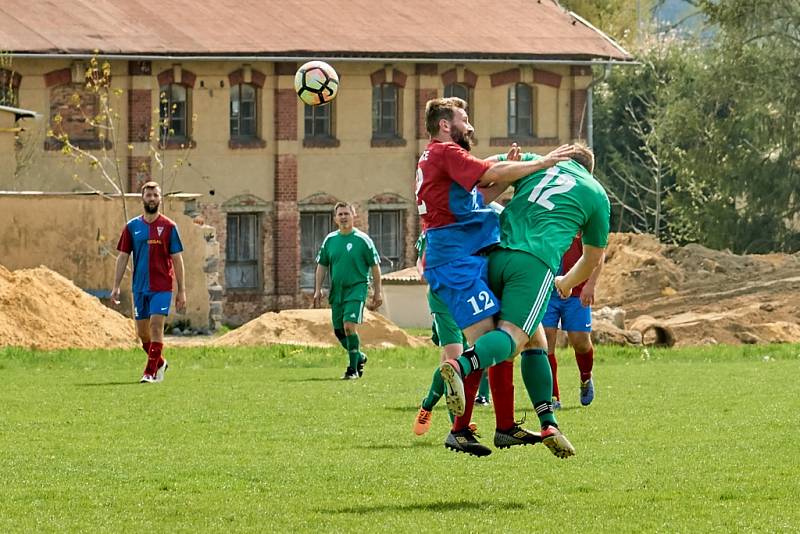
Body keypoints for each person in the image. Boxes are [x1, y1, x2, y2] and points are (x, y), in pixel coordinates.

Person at [415, 97, 575, 456]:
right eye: (464, 119)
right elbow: (489, 174)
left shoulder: (438, 159)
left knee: (514, 340)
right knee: (493, 344)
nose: (469, 126)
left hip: (467, 259)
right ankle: (464, 427)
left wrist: (510, 171)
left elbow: (479, 195)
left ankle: (503, 427)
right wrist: (541, 164)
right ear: (445, 124)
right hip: (456, 262)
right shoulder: (444, 151)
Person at [439, 144, 610, 459]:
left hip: (491, 253)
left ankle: (538, 424)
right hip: (532, 262)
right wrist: (566, 282)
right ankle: (459, 366)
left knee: (534, 342)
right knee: (511, 338)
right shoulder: (595, 192)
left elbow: (486, 168)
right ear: (589, 169)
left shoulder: (536, 162)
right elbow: (592, 259)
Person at [111, 181, 186, 383]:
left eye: (155, 195)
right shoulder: (132, 227)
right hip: (140, 287)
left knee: (155, 327)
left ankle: (150, 372)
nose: (152, 198)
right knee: (143, 334)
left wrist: (181, 291)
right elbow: (122, 256)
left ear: (160, 199)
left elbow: (178, 260)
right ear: (142, 198)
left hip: (162, 287)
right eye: (148, 195)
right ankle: (160, 362)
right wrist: (116, 286)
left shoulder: (169, 227)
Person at [313, 202, 382, 380]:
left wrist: (377, 292)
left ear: (354, 216)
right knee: (339, 331)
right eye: (340, 214)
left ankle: (353, 370)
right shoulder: (330, 240)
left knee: (349, 326)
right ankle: (359, 357)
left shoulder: (363, 240)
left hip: (357, 288)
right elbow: (322, 265)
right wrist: (318, 289)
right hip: (337, 290)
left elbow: (375, 267)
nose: (343, 217)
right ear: (335, 218)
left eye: (346, 214)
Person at [543, 235, 604, 409]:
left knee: (580, 342)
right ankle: (553, 397)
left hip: (577, 291)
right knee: (545, 342)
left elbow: (598, 253)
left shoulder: (584, 216)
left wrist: (590, 285)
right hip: (547, 292)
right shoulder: (546, 212)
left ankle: (586, 377)